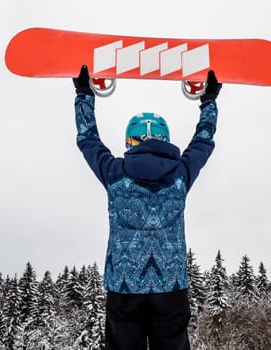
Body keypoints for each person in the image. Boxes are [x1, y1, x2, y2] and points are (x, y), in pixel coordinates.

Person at [73, 65, 222, 350]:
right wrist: (209, 101)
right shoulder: (180, 173)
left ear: (131, 140)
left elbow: (88, 140)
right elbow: (204, 141)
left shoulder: (115, 172)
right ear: (164, 139)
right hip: (171, 289)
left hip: (124, 290)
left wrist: (84, 94)